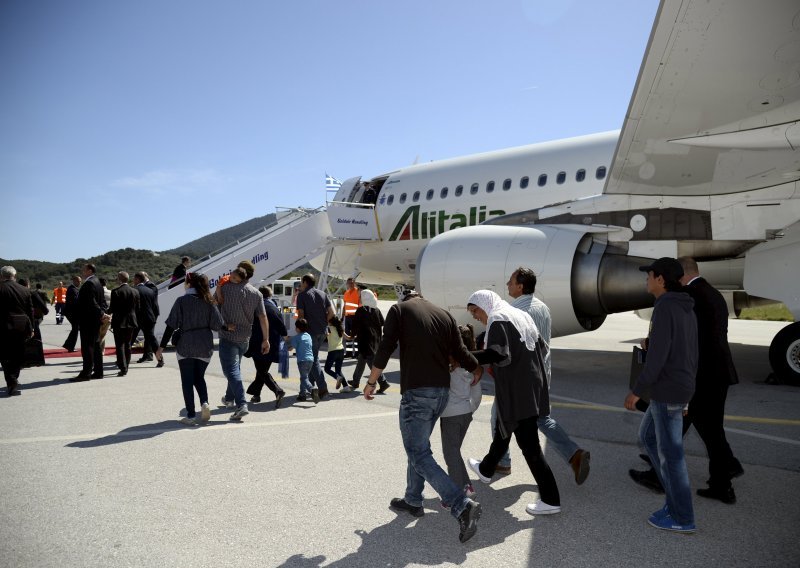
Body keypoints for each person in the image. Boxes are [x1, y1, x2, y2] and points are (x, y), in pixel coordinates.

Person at [364, 290, 483, 544]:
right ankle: (413, 500)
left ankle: (461, 504)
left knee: (418, 452)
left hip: (418, 393)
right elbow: (461, 351)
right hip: (441, 393)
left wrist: (372, 381)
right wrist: (476, 367)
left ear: (405, 299)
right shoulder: (444, 315)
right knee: (418, 447)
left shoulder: (399, 310)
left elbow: (385, 346)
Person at [465, 290, 561, 516]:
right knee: (505, 427)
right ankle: (487, 469)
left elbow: (498, 354)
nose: (475, 317)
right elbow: (543, 347)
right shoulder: (520, 315)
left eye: (475, 311)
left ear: (484, 304)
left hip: (518, 390)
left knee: (529, 446)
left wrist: (465, 356)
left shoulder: (498, 320)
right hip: (532, 384)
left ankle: (551, 499)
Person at [624, 257, 698, 533]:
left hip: (667, 390)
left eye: (650, 274)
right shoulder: (684, 306)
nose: (646, 279)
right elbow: (688, 350)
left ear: (661, 279)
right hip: (677, 387)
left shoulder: (665, 307)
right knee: (648, 438)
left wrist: (636, 391)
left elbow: (657, 359)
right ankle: (674, 501)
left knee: (672, 455)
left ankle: (682, 517)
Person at [501, 267, 591, 484]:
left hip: (523, 378)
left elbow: (514, 349)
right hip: (543, 373)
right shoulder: (543, 308)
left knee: (501, 415)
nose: (507, 284)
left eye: (511, 281)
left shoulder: (514, 311)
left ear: (520, 286)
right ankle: (573, 454)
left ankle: (502, 461)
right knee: (541, 418)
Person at [158, 272, 224, 426]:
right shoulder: (209, 301)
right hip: (205, 345)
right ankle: (205, 403)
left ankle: (191, 415)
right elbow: (217, 325)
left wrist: (161, 347)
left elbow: (171, 325)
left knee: (187, 381)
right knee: (199, 377)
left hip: (185, 345)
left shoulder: (181, 301)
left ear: (188, 284)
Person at [217, 261, 269, 421]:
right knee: (235, 368)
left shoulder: (226, 288)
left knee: (231, 370)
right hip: (245, 337)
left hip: (228, 336)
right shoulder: (257, 293)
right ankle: (228, 398)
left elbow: (214, 304)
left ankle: (241, 405)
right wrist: (266, 339)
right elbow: (262, 317)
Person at [440, 324, 482, 505]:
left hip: (451, 415)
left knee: (450, 454)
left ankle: (457, 495)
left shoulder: (450, 370)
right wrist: (470, 409)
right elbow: (477, 395)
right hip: (465, 414)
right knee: (454, 452)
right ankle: (466, 486)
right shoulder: (471, 369)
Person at [244, 285, 288, 408]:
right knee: (262, 370)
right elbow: (282, 328)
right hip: (273, 344)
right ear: (269, 296)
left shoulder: (256, 307)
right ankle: (256, 394)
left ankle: (277, 390)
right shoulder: (274, 308)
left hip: (257, 343)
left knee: (261, 371)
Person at [295, 273, 334, 399]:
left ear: (305, 282)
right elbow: (331, 312)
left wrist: (300, 330)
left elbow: (301, 314)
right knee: (312, 358)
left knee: (314, 359)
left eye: (302, 281)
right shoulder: (322, 294)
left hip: (310, 332)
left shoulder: (302, 295)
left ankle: (322, 388)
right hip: (322, 331)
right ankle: (309, 387)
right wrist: (324, 322)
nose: (301, 284)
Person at [0, 266, 34, 396]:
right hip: (21, 326)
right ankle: (14, 378)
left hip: (3, 327)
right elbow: (30, 310)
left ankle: (12, 381)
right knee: (18, 354)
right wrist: (31, 328)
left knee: (5, 356)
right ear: (14, 275)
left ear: (2, 276)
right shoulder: (24, 290)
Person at [348, 289, 390, 393]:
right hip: (375, 339)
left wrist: (352, 335)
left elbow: (355, 326)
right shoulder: (376, 310)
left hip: (365, 340)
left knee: (371, 362)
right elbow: (382, 323)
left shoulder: (361, 311)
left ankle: (383, 382)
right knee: (361, 360)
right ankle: (355, 381)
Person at [71, 263, 108, 381]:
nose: (83, 271)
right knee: (96, 346)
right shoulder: (97, 282)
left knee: (87, 347)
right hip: (95, 320)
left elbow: (92, 302)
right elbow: (102, 302)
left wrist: (102, 314)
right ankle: (98, 371)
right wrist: (102, 313)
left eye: (84, 269)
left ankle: (86, 373)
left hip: (88, 320)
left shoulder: (89, 283)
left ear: (90, 271)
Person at [108, 271, 139, 377]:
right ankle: (127, 365)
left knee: (120, 345)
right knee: (128, 345)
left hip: (119, 322)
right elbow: (138, 308)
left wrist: (104, 312)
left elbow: (112, 308)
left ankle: (123, 367)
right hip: (131, 321)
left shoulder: (115, 291)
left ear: (119, 279)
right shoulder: (135, 291)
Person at [133, 272, 161, 366]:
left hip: (140, 317)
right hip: (149, 316)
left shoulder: (150, 286)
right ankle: (155, 358)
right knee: (150, 337)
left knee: (145, 337)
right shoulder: (149, 290)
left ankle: (123, 360)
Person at [19, 278, 46, 367]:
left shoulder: (16, 293)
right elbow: (44, 308)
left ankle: (24, 361)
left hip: (20, 321)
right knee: (36, 341)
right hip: (33, 320)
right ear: (28, 285)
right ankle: (37, 361)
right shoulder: (32, 293)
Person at [287, 318, 315, 403]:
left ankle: (312, 390)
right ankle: (302, 395)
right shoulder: (308, 336)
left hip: (302, 361)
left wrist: (285, 345)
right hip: (311, 360)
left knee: (304, 378)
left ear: (298, 328)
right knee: (304, 377)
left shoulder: (297, 337)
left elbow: (291, 348)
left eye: (296, 327)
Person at [323, 315, 351, 392]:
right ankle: (346, 387)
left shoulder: (328, 328)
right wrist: (354, 335)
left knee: (327, 369)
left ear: (330, 322)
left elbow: (325, 336)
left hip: (333, 351)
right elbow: (348, 337)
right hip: (341, 350)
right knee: (338, 370)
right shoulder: (340, 329)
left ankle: (337, 377)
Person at [62, 275, 81, 352]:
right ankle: (70, 346)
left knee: (75, 329)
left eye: (80, 281)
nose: (80, 283)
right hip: (72, 313)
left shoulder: (74, 289)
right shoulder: (72, 289)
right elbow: (75, 302)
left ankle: (69, 345)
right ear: (74, 281)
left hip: (72, 312)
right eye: (79, 281)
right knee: (75, 329)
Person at [342, 277, 360, 357]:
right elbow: (345, 306)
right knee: (348, 335)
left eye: (352, 283)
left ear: (354, 283)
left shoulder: (358, 292)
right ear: (347, 284)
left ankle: (356, 353)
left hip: (355, 317)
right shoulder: (346, 293)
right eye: (349, 283)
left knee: (355, 335)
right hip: (347, 317)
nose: (350, 284)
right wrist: (342, 316)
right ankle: (349, 352)